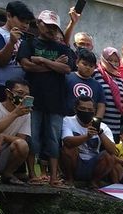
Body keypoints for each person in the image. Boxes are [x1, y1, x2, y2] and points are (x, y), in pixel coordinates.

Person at [17, 10, 75, 188]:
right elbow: (26, 65)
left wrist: (42, 60)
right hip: (32, 98)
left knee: (53, 139)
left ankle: (53, 178)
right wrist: (55, 64)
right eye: (48, 25)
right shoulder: (28, 43)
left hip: (56, 101)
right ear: (39, 23)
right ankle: (32, 174)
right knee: (32, 136)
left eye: (54, 27)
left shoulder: (63, 47)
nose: (51, 30)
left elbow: (67, 69)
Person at [60, 95, 115, 187]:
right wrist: (87, 136)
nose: (86, 112)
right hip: (75, 162)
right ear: (75, 109)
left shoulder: (103, 126)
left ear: (94, 111)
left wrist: (100, 133)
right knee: (68, 149)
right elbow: (67, 141)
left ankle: (94, 182)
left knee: (108, 155)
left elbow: (113, 150)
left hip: (93, 164)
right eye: (82, 108)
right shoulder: (68, 120)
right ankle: (70, 179)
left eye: (90, 110)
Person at [0, 0, 34, 103]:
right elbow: (1, 61)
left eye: (28, 23)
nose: (25, 25)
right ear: (9, 16)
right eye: (22, 20)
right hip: (1, 87)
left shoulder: (25, 38)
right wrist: (11, 42)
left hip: (22, 89)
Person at [93, 47, 123, 139]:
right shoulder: (96, 74)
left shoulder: (120, 79)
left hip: (115, 126)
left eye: (116, 61)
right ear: (103, 59)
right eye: (110, 60)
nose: (113, 63)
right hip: (100, 124)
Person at [65, 48, 104, 116]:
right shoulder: (67, 77)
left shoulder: (98, 85)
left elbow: (101, 106)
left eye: (91, 66)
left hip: (88, 123)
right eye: (85, 64)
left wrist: (96, 122)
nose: (88, 68)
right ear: (77, 62)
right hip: (66, 119)